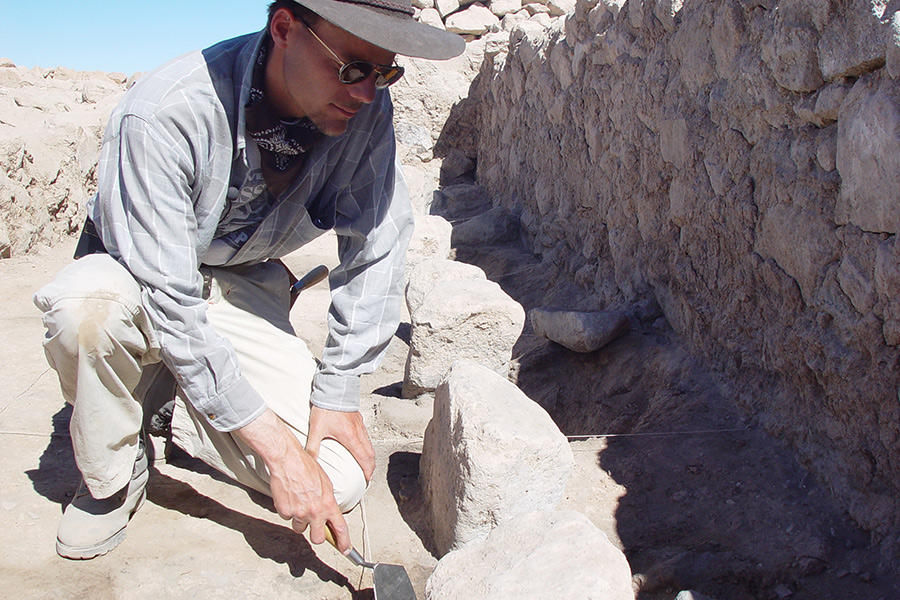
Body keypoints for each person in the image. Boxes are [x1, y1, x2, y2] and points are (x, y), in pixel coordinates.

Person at [33, 0, 464, 561]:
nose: (365, 93)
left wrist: (338, 391)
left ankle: (181, 403)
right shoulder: (164, 113)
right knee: (84, 312)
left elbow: (376, 244)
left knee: (339, 479)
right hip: (138, 283)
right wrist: (279, 454)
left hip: (240, 284)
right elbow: (169, 298)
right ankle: (114, 472)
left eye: (384, 73)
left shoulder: (364, 111)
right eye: (352, 68)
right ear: (285, 28)